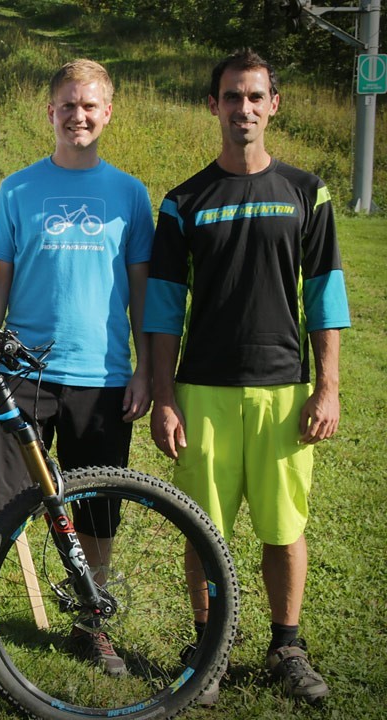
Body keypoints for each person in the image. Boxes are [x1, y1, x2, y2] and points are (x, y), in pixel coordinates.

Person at [146, 48, 349, 705]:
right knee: (204, 529)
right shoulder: (184, 201)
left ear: (274, 105)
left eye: (256, 97)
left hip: (282, 389)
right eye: (232, 97)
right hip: (202, 390)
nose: (244, 109)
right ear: (214, 105)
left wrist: (328, 385)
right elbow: (161, 309)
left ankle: (286, 643)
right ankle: (209, 647)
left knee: (283, 527)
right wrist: (164, 396)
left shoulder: (305, 190)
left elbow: (325, 293)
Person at [0, 59, 153, 677]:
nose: (79, 115)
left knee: (97, 507)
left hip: (103, 375)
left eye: (90, 105)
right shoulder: (19, 189)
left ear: (108, 112)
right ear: (50, 113)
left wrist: (145, 370)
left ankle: (91, 624)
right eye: (68, 105)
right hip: (23, 375)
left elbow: (142, 293)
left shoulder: (130, 194)